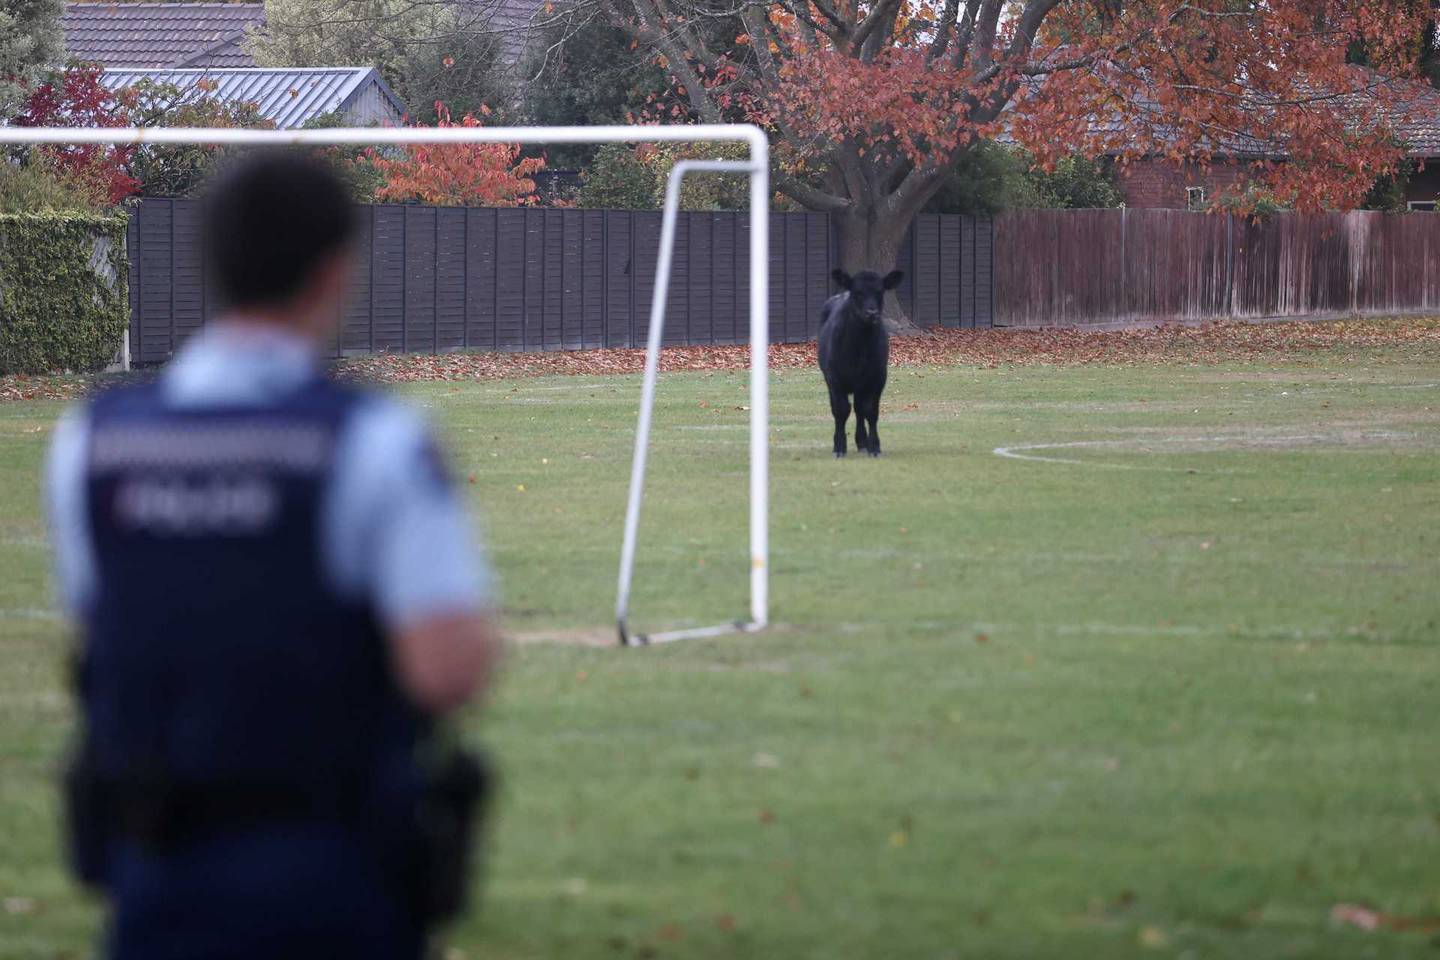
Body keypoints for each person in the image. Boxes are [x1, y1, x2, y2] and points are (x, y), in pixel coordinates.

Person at [45, 151, 503, 960]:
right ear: (334, 272)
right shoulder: (371, 441)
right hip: (332, 868)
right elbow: (448, 671)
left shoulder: (94, 442)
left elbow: (106, 629)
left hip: (154, 864)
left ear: (210, 263)